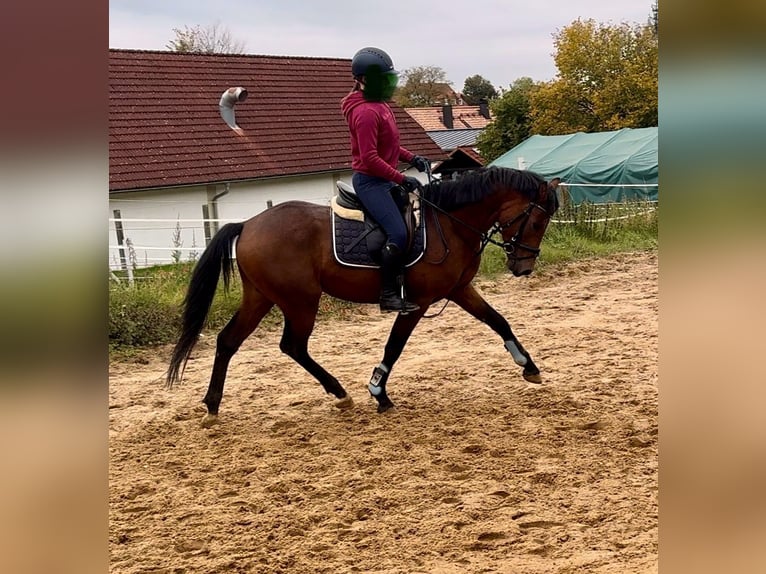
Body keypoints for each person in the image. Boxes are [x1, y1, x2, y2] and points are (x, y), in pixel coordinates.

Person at [340, 47, 430, 314]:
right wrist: (401, 178)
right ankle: (388, 295)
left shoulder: (380, 105)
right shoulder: (365, 113)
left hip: (384, 179)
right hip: (370, 182)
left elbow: (388, 147)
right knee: (399, 234)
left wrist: (412, 158)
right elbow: (369, 158)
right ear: (364, 79)